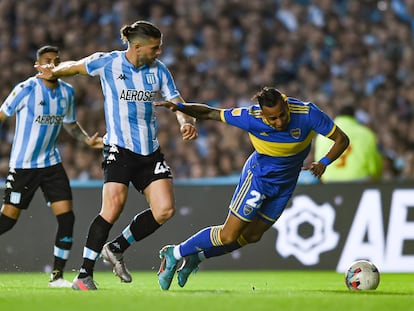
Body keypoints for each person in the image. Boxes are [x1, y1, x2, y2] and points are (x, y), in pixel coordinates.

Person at [35, 20, 198, 290]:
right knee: (112, 207)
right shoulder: (108, 63)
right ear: (137, 47)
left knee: (165, 210)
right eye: (155, 48)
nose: (159, 53)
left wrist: (184, 121)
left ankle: (117, 248)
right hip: (119, 148)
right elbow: (73, 67)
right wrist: (53, 72)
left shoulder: (159, 71)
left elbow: (176, 101)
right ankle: (84, 275)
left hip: (150, 152)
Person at [154, 86, 349, 290]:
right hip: (258, 178)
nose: (280, 122)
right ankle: (174, 253)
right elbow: (210, 112)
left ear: (286, 105)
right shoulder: (249, 116)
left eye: (283, 115)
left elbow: (341, 139)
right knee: (228, 235)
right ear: (263, 115)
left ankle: (197, 257)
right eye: (273, 119)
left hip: (286, 183)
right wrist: (180, 107)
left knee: (252, 236)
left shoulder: (308, 113)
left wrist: (324, 162)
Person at [0, 45, 103, 288]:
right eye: (47, 61)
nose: (52, 65)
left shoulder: (67, 92)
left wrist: (86, 139)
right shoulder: (25, 89)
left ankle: (57, 276)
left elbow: (70, 124)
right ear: (37, 65)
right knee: (7, 220)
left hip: (51, 164)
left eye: (56, 61)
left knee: (67, 218)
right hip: (23, 166)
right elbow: (2, 115)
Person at [314, 105, 382, 182]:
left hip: (330, 181)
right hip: (359, 181)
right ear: (354, 117)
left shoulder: (322, 135)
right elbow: (374, 165)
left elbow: (318, 160)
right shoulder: (366, 133)